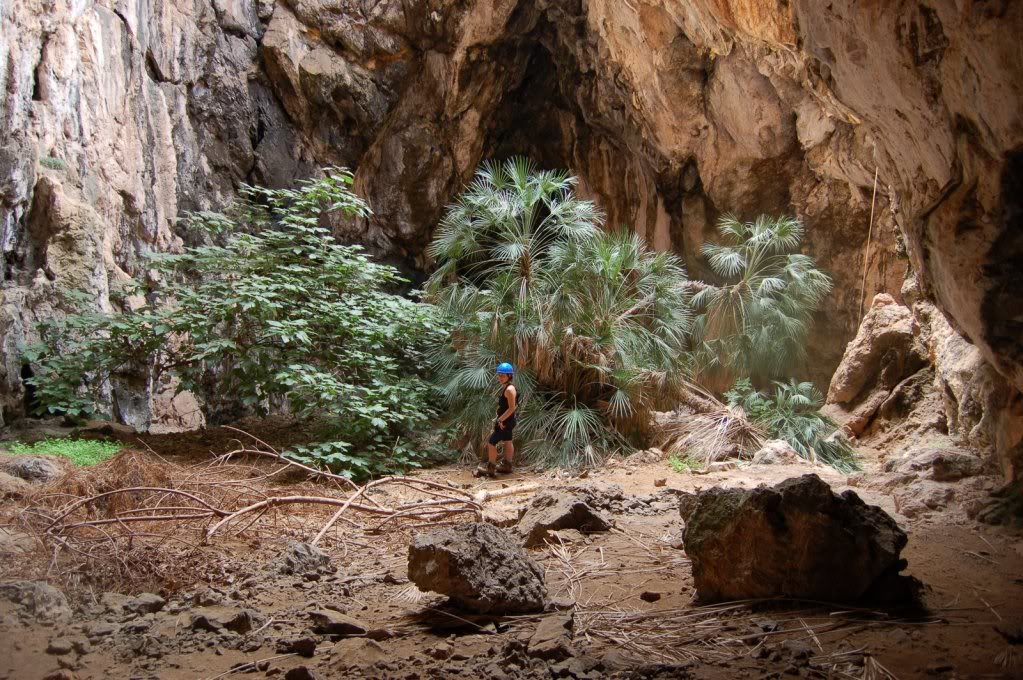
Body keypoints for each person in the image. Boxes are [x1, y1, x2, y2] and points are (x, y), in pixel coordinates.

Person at [475, 362, 517, 477]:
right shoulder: (509, 387)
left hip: (505, 422)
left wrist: (500, 420)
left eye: (502, 375)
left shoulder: (509, 389)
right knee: (508, 441)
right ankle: (507, 465)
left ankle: (491, 467)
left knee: (491, 442)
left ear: (509, 375)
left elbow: (512, 408)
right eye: (499, 375)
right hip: (508, 421)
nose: (500, 377)